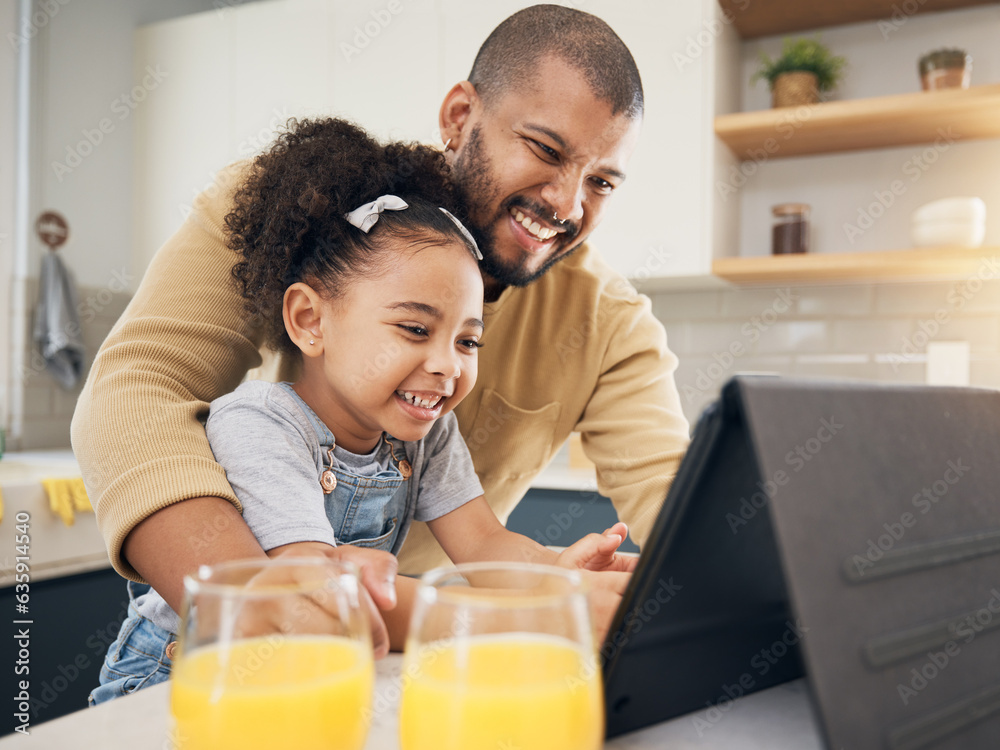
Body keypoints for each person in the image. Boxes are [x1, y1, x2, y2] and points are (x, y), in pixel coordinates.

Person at [71, 4, 690, 650]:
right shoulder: (300, 204)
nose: (567, 204)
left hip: (407, 639)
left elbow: (675, 495)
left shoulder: (607, 321)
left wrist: (557, 585)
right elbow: (135, 391)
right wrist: (260, 597)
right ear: (459, 118)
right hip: (246, 642)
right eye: (543, 148)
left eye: (602, 182)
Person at [89, 117, 635, 705]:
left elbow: (486, 546)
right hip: (177, 674)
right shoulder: (259, 425)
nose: (448, 365)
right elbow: (315, 592)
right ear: (309, 320)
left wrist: (557, 579)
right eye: (414, 328)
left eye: (467, 341)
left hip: (308, 665)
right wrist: (529, 619)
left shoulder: (427, 435)